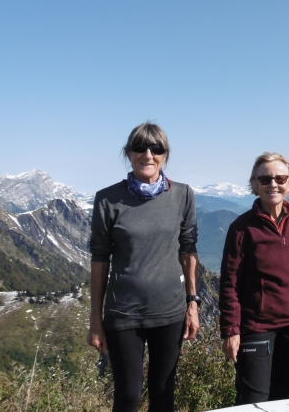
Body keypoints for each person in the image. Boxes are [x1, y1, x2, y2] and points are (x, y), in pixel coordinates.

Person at [87, 122, 201, 412]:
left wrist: (192, 303)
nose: (148, 155)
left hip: (170, 311)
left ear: (165, 155)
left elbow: (188, 250)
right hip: (124, 312)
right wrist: (95, 319)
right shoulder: (107, 199)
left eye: (156, 148)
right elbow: (99, 259)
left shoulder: (183, 195)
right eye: (140, 147)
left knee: (163, 393)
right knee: (128, 396)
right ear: (128, 153)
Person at [220, 152, 289, 405]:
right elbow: (229, 284)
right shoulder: (242, 228)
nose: (273, 184)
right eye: (265, 179)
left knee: (286, 393)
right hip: (257, 328)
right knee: (253, 398)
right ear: (254, 184)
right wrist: (231, 330)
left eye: (280, 178)